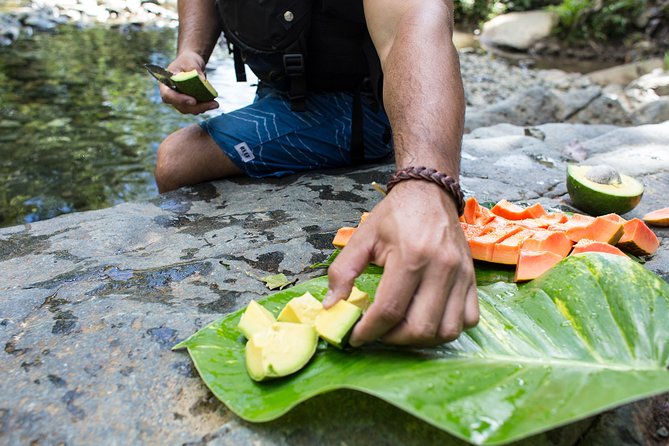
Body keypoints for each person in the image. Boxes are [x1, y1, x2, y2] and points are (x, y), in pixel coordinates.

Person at [155, 0, 479, 347]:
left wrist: (426, 183)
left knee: (177, 159)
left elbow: (415, 15)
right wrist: (191, 52)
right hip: (282, 89)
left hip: (362, 106)